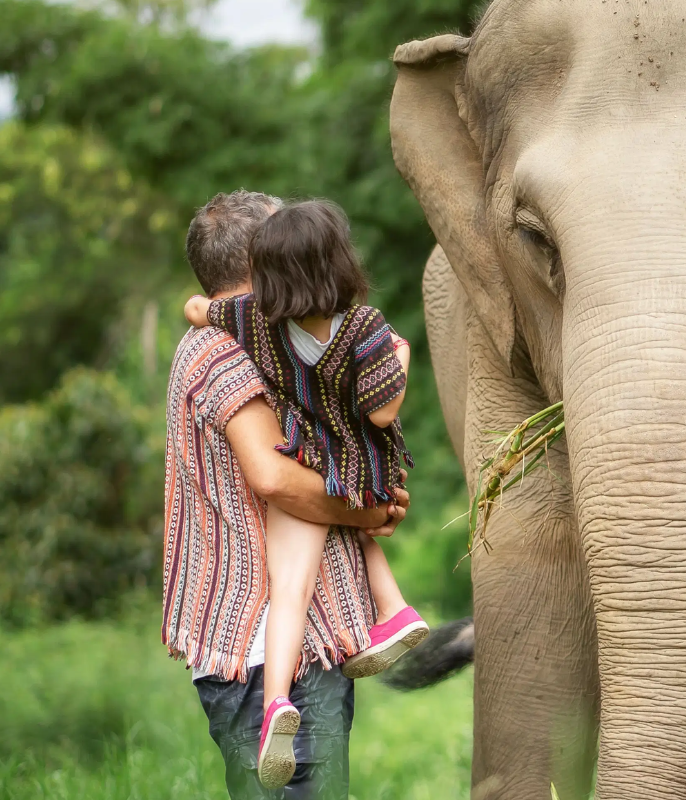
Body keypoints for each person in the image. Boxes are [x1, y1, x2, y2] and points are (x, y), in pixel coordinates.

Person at [162, 190, 407, 799]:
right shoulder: (223, 350)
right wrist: (369, 505)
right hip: (259, 649)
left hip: (290, 648)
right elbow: (273, 477)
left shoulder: (270, 342)